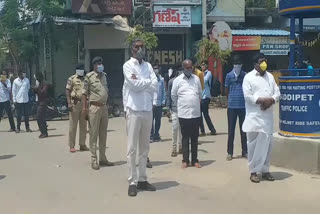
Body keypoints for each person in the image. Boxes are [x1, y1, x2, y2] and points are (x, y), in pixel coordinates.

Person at [123, 39, 158, 197]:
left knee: (145, 148)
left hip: (147, 109)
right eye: (137, 47)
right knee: (132, 148)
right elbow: (133, 85)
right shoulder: (128, 65)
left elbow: (155, 85)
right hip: (134, 109)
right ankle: (132, 181)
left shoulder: (148, 66)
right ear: (132, 49)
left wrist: (143, 82)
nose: (140, 49)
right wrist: (147, 83)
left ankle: (143, 179)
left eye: (142, 46)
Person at [242, 53, 280, 183]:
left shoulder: (270, 76)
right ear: (255, 64)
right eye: (261, 62)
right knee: (253, 145)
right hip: (254, 117)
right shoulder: (248, 77)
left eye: (265, 61)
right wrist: (262, 100)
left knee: (267, 145)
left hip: (267, 117)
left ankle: (265, 170)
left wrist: (271, 100)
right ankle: (253, 171)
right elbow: (247, 96)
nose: (264, 63)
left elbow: (277, 92)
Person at [82, 56, 114, 170]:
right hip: (94, 108)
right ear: (94, 65)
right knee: (93, 134)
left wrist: (108, 104)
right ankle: (94, 159)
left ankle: (103, 158)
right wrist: (85, 109)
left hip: (104, 107)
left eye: (101, 63)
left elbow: (106, 91)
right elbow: (84, 94)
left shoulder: (104, 76)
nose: (100, 65)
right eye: (98, 63)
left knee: (103, 133)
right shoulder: (89, 77)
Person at [171, 59, 202, 169]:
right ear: (183, 68)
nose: (190, 69)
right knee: (185, 138)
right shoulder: (177, 80)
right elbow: (173, 96)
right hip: (183, 113)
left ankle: (195, 160)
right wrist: (179, 107)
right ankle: (185, 160)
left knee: (194, 138)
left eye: (191, 67)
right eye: (187, 68)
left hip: (195, 113)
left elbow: (199, 94)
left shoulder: (197, 79)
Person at [225, 56, 247, 161]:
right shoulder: (228, 76)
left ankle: (245, 151)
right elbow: (226, 89)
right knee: (231, 131)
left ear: (241, 65)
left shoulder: (245, 75)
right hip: (232, 107)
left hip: (243, 106)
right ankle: (230, 152)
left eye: (238, 64)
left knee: (244, 130)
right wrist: (229, 100)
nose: (237, 65)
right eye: (235, 64)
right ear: (233, 65)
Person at [66, 64, 89, 153]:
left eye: (82, 69)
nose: (81, 70)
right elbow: (67, 91)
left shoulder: (86, 79)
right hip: (74, 103)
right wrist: (69, 103)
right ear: (76, 70)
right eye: (79, 69)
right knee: (73, 126)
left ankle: (82, 144)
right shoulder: (72, 79)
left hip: (84, 104)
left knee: (83, 126)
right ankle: (72, 145)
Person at [199, 61, 217, 136]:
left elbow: (205, 80)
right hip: (200, 96)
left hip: (206, 96)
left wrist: (200, 75)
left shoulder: (208, 73)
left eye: (204, 65)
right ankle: (202, 130)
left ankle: (212, 130)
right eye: (202, 65)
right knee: (199, 114)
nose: (203, 66)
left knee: (205, 114)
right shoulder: (200, 73)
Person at [167, 68, 182, 157]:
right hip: (174, 109)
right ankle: (174, 148)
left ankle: (180, 147)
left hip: (183, 109)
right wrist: (168, 107)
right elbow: (168, 94)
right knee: (175, 128)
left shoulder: (185, 82)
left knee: (182, 130)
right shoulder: (171, 82)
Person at [150, 67, 165, 142]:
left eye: (157, 68)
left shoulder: (161, 80)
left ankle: (156, 134)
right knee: (150, 120)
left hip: (159, 104)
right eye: (154, 68)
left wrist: (163, 101)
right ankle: (151, 135)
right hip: (151, 104)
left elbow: (163, 91)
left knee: (158, 120)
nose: (156, 70)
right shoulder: (149, 79)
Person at [33, 72, 50, 138]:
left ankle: (44, 132)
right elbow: (38, 92)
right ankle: (43, 132)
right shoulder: (39, 84)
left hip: (43, 102)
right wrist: (34, 90)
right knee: (40, 118)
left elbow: (43, 92)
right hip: (39, 102)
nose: (37, 79)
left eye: (37, 77)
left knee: (39, 117)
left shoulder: (45, 84)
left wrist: (37, 89)